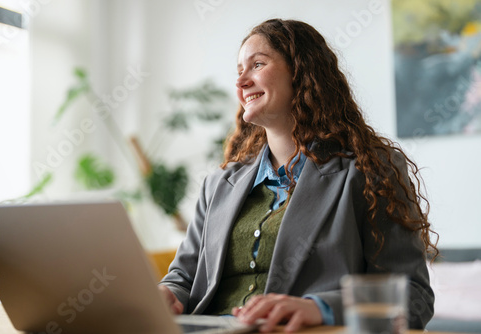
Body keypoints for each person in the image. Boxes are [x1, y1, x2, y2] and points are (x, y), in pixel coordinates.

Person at [158, 18, 438, 333]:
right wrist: (167, 294)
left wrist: (317, 308)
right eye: (239, 71)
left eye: (257, 65)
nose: (241, 82)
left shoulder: (370, 170)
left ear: (301, 71)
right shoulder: (219, 184)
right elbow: (183, 276)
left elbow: (413, 297)